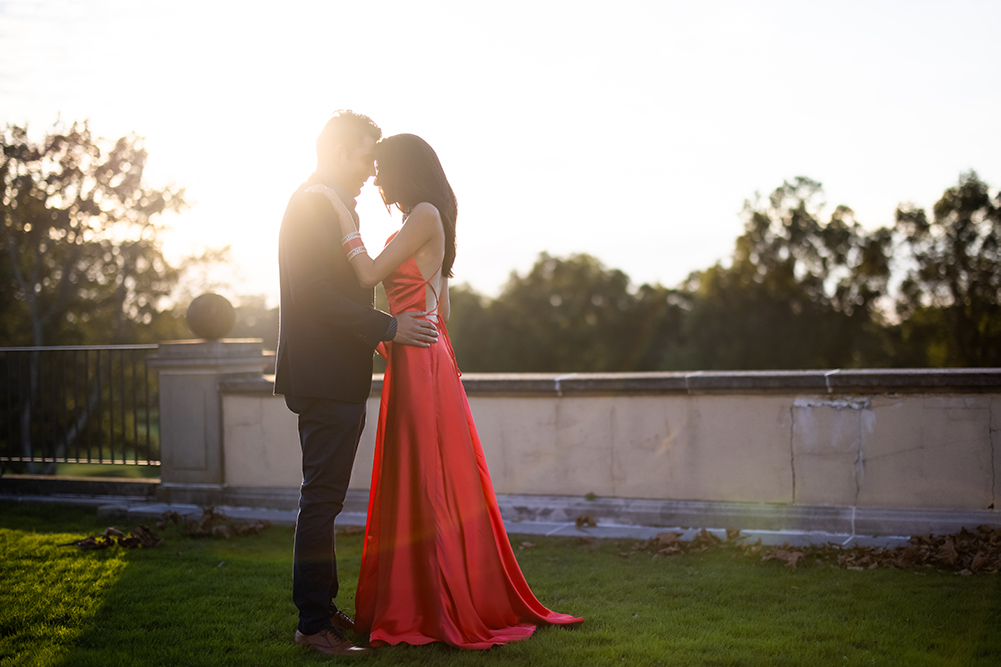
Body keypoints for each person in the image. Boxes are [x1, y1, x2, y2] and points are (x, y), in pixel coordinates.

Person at [307, 133, 583, 649]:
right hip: (425, 356)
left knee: (423, 477)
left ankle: (431, 603)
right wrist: (411, 323)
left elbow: (367, 272)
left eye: (382, 169)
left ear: (404, 170)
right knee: (423, 473)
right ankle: (422, 597)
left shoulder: (424, 215)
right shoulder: (432, 218)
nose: (377, 179)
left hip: (419, 363)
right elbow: (445, 311)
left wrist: (344, 220)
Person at [275, 112, 439, 657]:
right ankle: (312, 624)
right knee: (320, 501)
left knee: (326, 499)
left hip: (337, 373)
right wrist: (389, 328)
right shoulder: (312, 204)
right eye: (368, 155)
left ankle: (322, 609)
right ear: (341, 151)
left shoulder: (329, 204)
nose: (374, 169)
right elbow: (317, 294)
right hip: (323, 375)